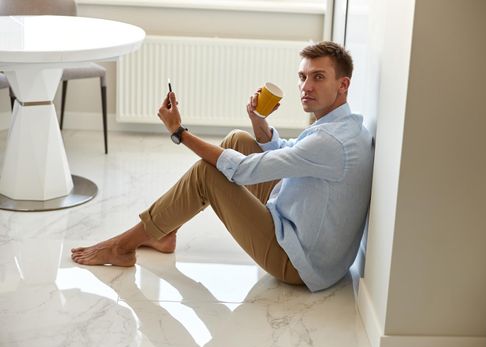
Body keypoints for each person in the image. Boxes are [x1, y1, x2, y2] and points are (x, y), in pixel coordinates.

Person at [71, 41, 374, 292]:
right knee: (238, 139)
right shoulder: (345, 125)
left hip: (298, 263)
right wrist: (259, 123)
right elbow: (292, 153)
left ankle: (124, 246)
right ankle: (163, 230)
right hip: (314, 241)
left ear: (343, 84)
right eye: (302, 76)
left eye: (318, 77)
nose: (305, 86)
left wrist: (179, 132)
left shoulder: (330, 142)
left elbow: (243, 171)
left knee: (207, 175)